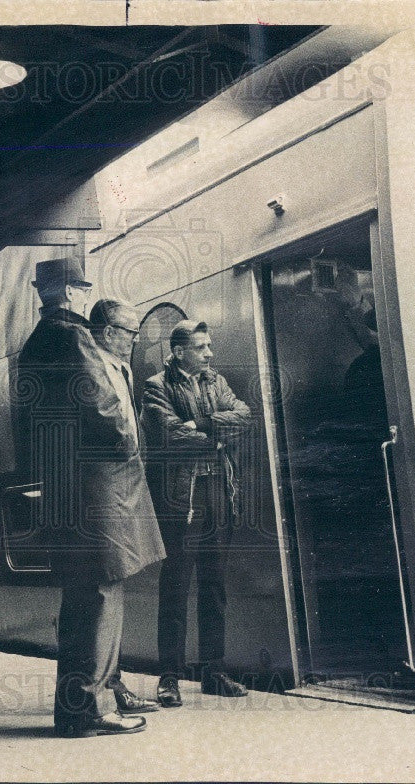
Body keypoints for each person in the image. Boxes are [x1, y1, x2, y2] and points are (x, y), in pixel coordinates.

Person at [16, 259, 165, 737]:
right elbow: (102, 407)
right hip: (99, 489)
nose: (86, 293)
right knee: (101, 595)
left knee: (83, 597)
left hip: (69, 487)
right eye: (83, 287)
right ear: (73, 291)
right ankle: (89, 710)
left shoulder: (35, 342)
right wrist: (128, 441)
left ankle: (77, 709)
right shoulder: (72, 335)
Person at [141, 320, 252, 707]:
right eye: (202, 347)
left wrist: (202, 424)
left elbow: (244, 417)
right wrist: (214, 441)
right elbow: (169, 436)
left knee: (214, 585)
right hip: (181, 500)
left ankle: (213, 672)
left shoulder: (215, 381)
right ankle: (169, 676)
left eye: (209, 346)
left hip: (219, 493)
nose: (210, 353)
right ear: (179, 351)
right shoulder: (156, 386)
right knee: (175, 587)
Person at [88, 298, 163, 716]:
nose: (134, 339)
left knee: (117, 586)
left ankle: (114, 686)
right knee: (106, 587)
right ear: (108, 331)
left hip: (126, 483)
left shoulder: (123, 368)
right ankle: (103, 691)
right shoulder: (94, 365)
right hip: (109, 485)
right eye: (129, 331)